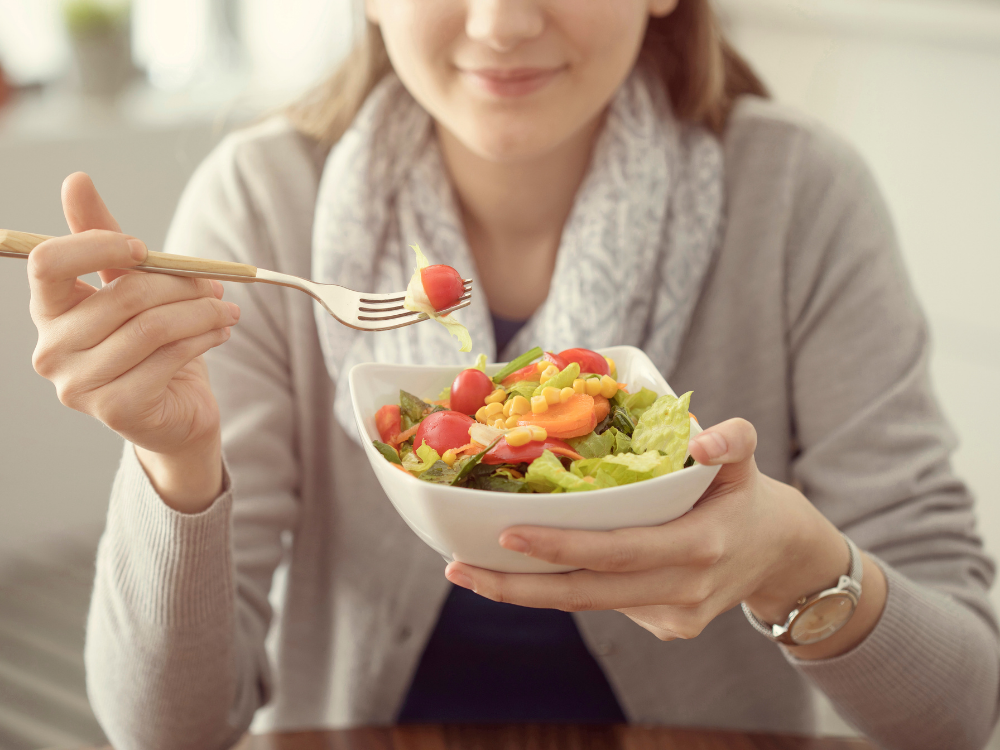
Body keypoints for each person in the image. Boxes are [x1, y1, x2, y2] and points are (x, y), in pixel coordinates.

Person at [23, 1, 999, 749]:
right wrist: (176, 463)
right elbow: (169, 731)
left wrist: (793, 559)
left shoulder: (800, 197)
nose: (501, 24)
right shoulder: (261, 201)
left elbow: (956, 708)